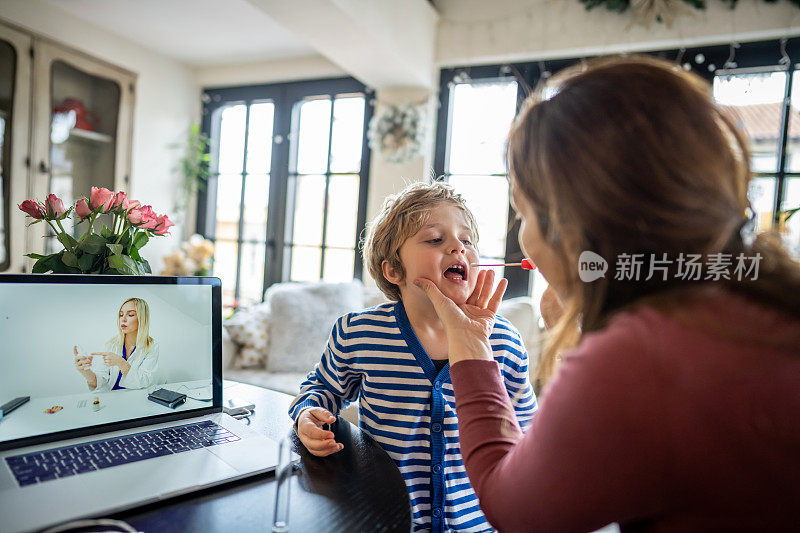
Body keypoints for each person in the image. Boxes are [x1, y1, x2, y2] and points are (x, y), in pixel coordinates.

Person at [415, 55, 800, 532]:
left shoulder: (637, 359)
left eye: (525, 213)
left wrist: (471, 349)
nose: (524, 238)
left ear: (572, 224)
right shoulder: (756, 296)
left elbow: (519, 511)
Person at [288, 181, 537, 532]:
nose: (458, 247)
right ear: (394, 270)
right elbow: (319, 389)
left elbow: (528, 434)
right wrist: (307, 415)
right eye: (435, 239)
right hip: (385, 521)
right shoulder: (359, 333)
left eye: (467, 240)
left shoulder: (505, 342)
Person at [74, 297, 161, 392]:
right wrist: (85, 371)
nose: (123, 319)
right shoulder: (110, 345)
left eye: (130, 315)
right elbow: (99, 382)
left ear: (142, 318)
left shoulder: (152, 346)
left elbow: (145, 381)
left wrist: (121, 363)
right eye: (121, 315)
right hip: (112, 399)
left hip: (137, 398)